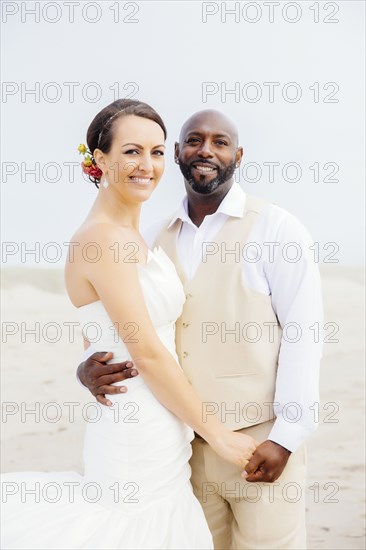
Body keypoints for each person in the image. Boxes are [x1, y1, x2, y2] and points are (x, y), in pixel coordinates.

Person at [1, 100, 260, 550]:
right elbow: (146, 351)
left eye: (158, 152)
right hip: (135, 426)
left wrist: (86, 363)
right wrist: (217, 434)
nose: (147, 165)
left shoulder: (135, 234)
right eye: (131, 151)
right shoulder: (101, 239)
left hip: (163, 424)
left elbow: (97, 327)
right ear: (99, 160)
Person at [79, 109, 324, 549]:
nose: (205, 150)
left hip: (260, 443)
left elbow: (304, 336)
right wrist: (86, 368)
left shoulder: (276, 229)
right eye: (193, 140)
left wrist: (286, 437)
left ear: (239, 154)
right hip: (180, 449)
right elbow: (117, 325)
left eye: (220, 141)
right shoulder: (151, 238)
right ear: (178, 154)